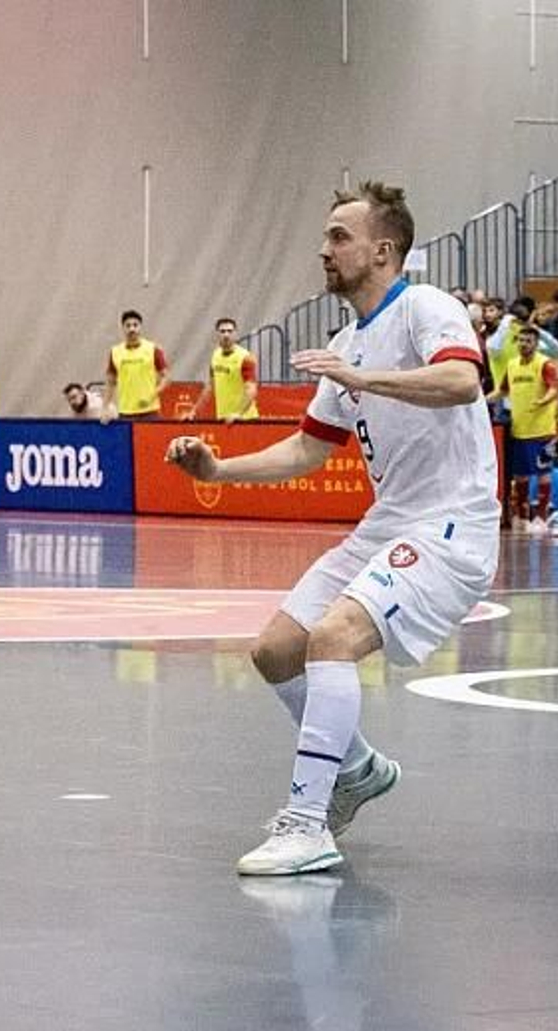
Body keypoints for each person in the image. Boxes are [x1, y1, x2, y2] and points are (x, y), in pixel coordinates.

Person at [166, 181, 497, 876]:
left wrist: (364, 377)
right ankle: (359, 770)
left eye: (339, 237)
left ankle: (308, 822)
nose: (324, 249)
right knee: (276, 650)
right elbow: (308, 448)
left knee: (334, 636)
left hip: (451, 526)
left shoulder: (426, 309)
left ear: (383, 250)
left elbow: (463, 384)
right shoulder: (347, 342)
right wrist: (217, 471)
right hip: (388, 525)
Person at [486, 325, 558, 534]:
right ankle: (520, 515)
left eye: (528, 341)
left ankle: (541, 518)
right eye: (520, 340)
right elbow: (501, 391)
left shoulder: (544, 364)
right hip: (520, 429)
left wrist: (543, 400)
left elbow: (555, 388)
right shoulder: (511, 366)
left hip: (542, 430)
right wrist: (482, 401)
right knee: (520, 476)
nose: (524, 344)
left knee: (544, 474)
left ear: (536, 343)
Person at [183, 317, 259, 422]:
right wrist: (194, 411)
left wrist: (238, 414)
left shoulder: (245, 358)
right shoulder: (215, 355)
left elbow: (251, 389)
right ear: (217, 334)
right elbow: (210, 386)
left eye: (230, 331)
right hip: (223, 418)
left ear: (235, 334)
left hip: (245, 420)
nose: (226, 335)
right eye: (222, 331)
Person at [100, 309, 167, 423]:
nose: (132, 329)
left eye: (135, 325)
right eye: (128, 325)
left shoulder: (153, 349)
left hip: (150, 411)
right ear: (123, 328)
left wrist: (152, 395)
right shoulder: (115, 352)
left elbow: (166, 378)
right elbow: (110, 382)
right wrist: (105, 407)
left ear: (140, 327)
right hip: (126, 412)